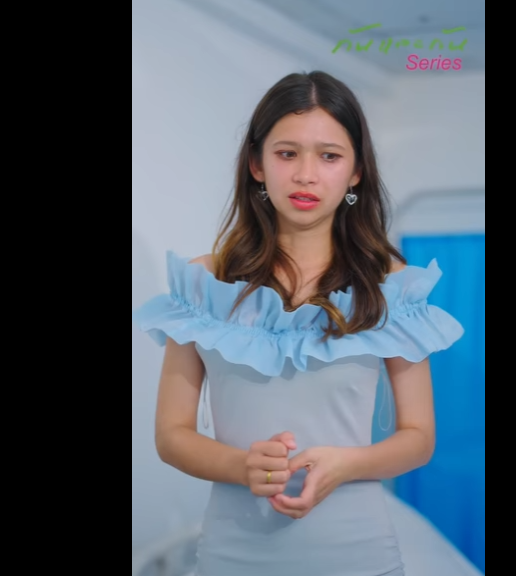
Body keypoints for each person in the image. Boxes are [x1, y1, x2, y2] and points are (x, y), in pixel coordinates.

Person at [132, 70, 464, 576]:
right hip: (231, 560)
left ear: (356, 172)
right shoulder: (202, 284)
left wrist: (347, 463)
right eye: (287, 153)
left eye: (329, 156)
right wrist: (241, 466)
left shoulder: (393, 286)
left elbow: (419, 436)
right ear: (257, 164)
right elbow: (171, 434)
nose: (306, 174)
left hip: (361, 558)